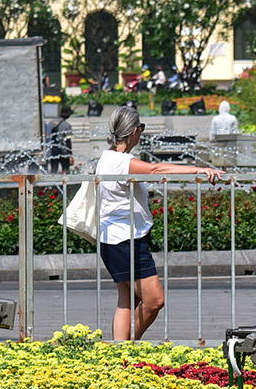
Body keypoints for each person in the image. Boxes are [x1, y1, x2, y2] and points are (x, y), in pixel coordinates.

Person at [95, 106, 224, 341]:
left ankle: (118, 352)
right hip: (125, 240)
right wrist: (201, 169)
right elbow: (156, 168)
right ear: (134, 131)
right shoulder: (120, 162)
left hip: (116, 238)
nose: (141, 133)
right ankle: (124, 346)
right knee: (155, 300)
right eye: (141, 128)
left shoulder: (109, 158)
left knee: (127, 299)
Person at [47, 103, 75, 173]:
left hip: (53, 151)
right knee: (66, 171)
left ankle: (51, 183)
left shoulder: (51, 122)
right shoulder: (67, 125)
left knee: (53, 171)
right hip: (63, 152)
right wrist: (70, 155)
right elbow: (68, 141)